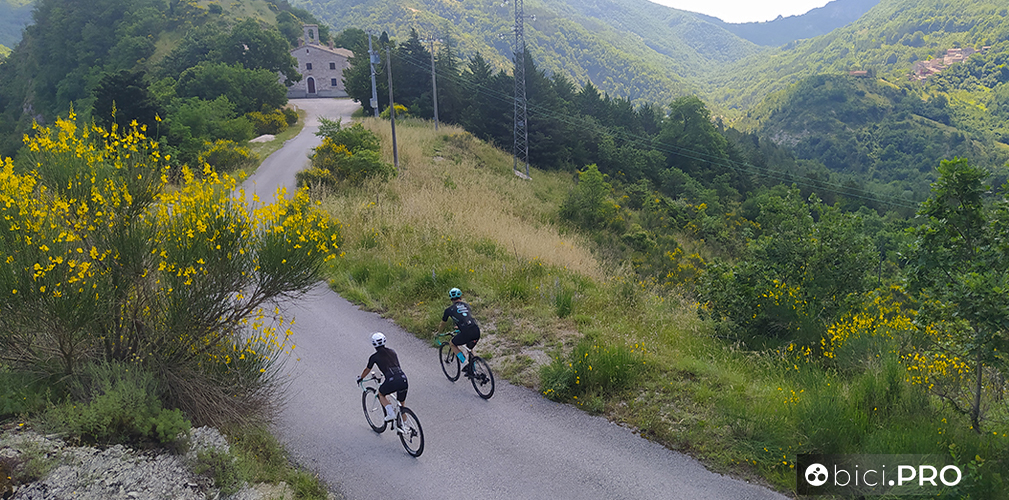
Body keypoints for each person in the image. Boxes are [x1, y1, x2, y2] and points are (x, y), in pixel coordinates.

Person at [358, 332, 408, 423]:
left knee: (381, 393)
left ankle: (390, 413)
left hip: (392, 380)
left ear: (373, 344)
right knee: (401, 405)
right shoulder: (392, 352)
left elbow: (367, 369)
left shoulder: (374, 357)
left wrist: (361, 378)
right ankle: (405, 425)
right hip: (403, 378)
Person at [438, 287, 481, 375]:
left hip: (466, 332)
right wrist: (459, 325)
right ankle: (475, 369)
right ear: (460, 296)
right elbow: (465, 316)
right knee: (470, 349)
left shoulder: (448, 310)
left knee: (452, 344)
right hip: (476, 330)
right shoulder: (467, 306)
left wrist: (439, 332)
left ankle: (464, 362)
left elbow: (443, 323)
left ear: (450, 298)